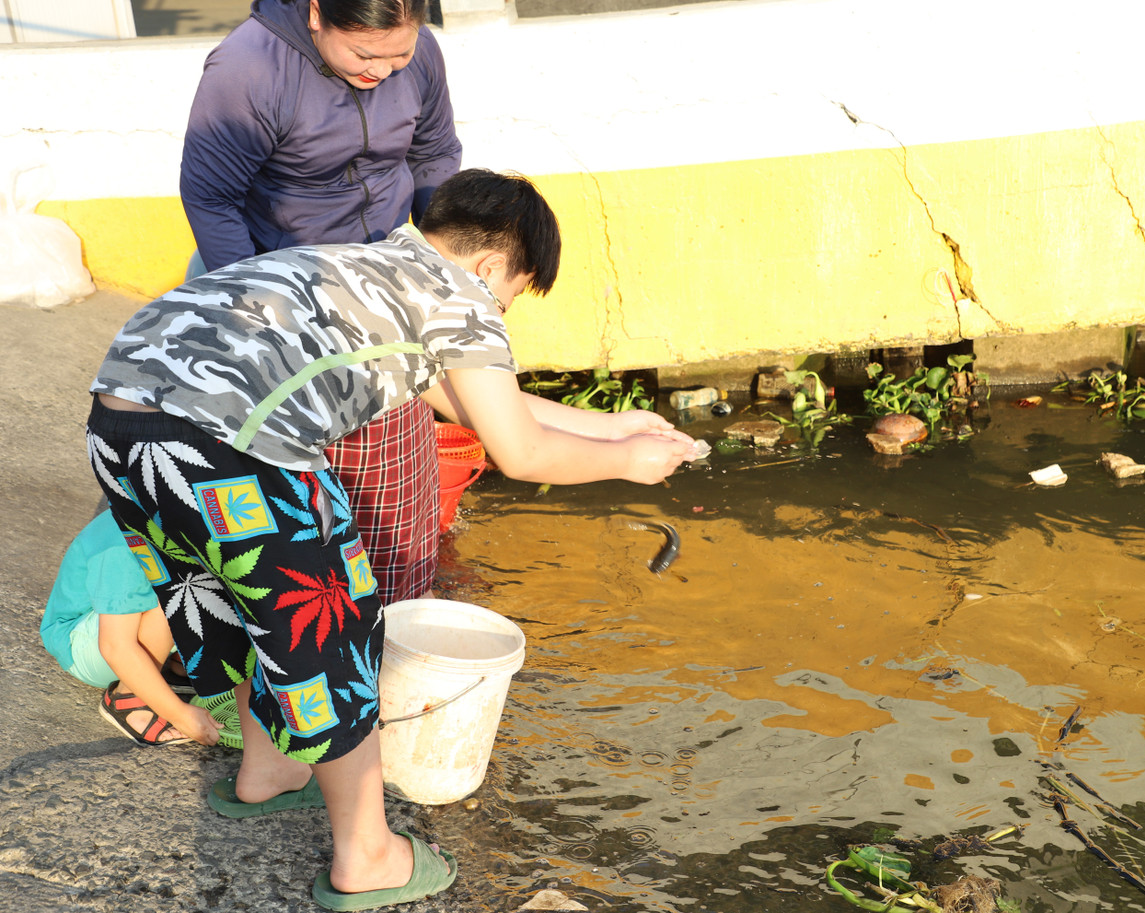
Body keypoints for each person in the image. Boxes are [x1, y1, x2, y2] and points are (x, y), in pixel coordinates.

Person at [88, 169, 693, 910]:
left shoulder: (368, 265)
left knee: (238, 602)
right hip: (230, 446)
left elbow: (469, 402)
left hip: (122, 428)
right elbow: (522, 452)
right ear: (490, 267)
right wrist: (628, 464)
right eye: (510, 298)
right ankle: (368, 856)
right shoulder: (462, 298)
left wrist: (612, 426)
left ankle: (269, 771)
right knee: (332, 622)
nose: (500, 313)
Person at [180, 0, 463, 609]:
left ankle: (384, 611)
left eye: (399, 54)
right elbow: (211, 198)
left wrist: (440, 265)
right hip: (266, 280)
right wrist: (263, 310)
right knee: (260, 483)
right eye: (364, 54)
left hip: (374, 283)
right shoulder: (249, 69)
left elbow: (434, 154)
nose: (382, 71)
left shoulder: (419, 56)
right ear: (316, 14)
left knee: (384, 474)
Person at [40, 510, 240, 748]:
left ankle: (178, 664)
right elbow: (115, 647)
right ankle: (128, 697)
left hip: (121, 629)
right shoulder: (121, 544)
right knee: (178, 592)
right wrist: (179, 714)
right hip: (85, 646)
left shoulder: (173, 514)